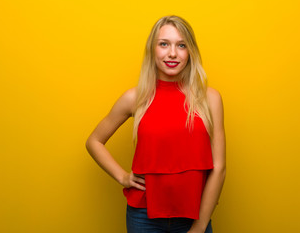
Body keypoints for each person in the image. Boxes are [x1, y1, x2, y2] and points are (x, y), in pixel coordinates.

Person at [85, 15, 226, 233]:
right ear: (153, 50)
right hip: (143, 217)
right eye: (164, 44)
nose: (172, 53)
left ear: (190, 52)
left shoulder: (210, 99)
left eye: (181, 45)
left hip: (196, 214)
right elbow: (94, 141)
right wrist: (122, 176)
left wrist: (199, 227)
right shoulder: (135, 98)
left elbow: (219, 168)